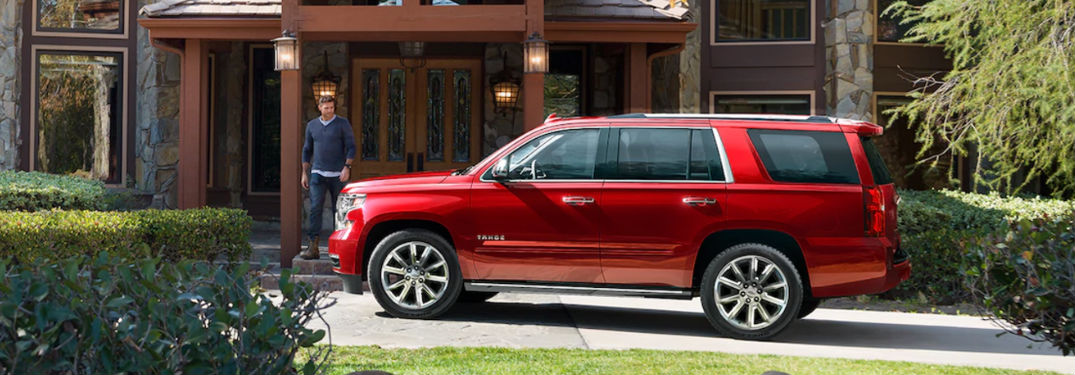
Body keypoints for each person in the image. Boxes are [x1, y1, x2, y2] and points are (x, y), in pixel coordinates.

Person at [300, 95, 356, 260]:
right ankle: (312, 247)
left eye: (332, 108)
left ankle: (339, 248)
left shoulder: (342, 124)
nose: (330, 111)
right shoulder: (312, 126)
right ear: (320, 107)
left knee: (339, 211)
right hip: (317, 173)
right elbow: (306, 150)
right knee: (315, 209)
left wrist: (347, 167)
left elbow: (352, 147)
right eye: (326, 108)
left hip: (338, 175)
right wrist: (304, 172)